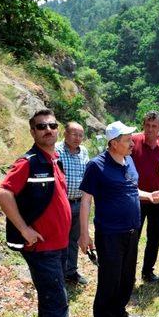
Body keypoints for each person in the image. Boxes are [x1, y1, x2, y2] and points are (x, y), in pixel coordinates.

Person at [0, 109, 86, 317]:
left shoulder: (54, 159)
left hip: (58, 246)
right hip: (42, 248)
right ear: (33, 132)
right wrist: (24, 228)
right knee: (58, 301)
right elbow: (3, 192)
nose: (48, 129)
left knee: (51, 299)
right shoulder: (29, 162)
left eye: (52, 125)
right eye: (41, 126)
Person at [79, 121, 159, 317]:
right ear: (114, 143)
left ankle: (119, 311)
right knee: (109, 276)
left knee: (127, 275)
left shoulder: (129, 161)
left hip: (131, 230)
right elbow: (86, 200)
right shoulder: (96, 166)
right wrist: (84, 233)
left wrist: (149, 195)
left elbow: (132, 189)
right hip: (109, 232)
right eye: (127, 140)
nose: (132, 143)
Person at [131, 110, 159, 283]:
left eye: (154, 126)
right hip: (137, 200)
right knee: (133, 238)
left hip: (158, 201)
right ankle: (129, 273)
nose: (149, 129)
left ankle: (147, 271)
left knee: (154, 237)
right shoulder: (133, 142)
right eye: (147, 125)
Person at [55, 121, 89, 285]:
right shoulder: (56, 151)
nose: (77, 138)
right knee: (59, 239)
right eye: (74, 134)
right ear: (65, 134)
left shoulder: (84, 151)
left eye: (80, 135)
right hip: (61, 204)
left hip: (79, 203)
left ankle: (71, 272)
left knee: (74, 239)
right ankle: (58, 273)